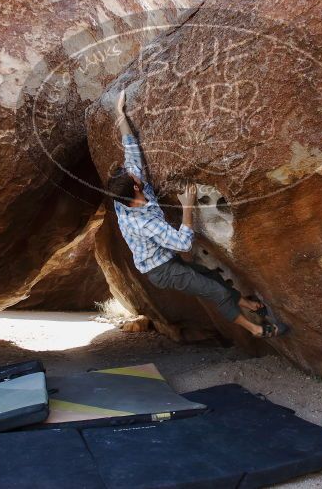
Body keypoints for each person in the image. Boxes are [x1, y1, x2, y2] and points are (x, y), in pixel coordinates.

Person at [106, 90, 285, 338]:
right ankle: (256, 329)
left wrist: (119, 114)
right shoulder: (142, 222)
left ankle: (245, 303)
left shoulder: (125, 195)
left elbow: (131, 149)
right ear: (136, 187)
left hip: (163, 258)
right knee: (215, 291)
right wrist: (187, 206)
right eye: (134, 176)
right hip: (162, 271)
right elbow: (183, 243)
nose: (134, 171)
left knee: (208, 276)